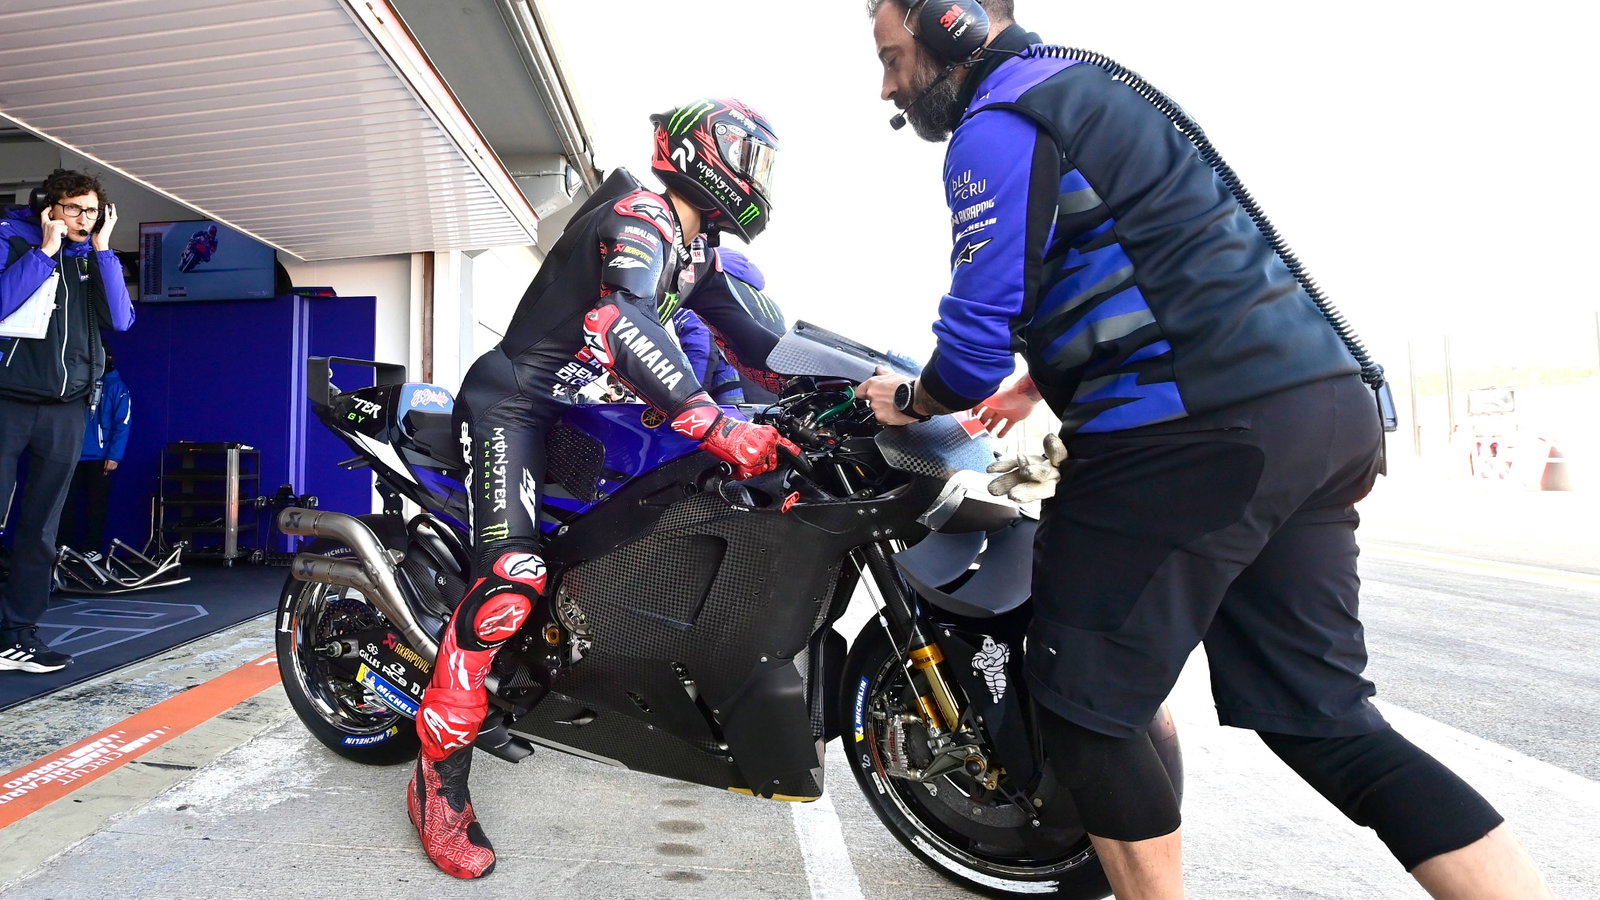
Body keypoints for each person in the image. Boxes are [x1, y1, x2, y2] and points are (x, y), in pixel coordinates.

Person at [855, 3, 1552, 898]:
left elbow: (969, 347)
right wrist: (1046, 373)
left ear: (949, 26)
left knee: (1083, 707)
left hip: (1192, 439)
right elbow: (1159, 254)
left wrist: (912, 400)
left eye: (891, 57)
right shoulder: (1094, 88)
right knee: (1325, 718)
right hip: (1317, 411)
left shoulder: (999, 124)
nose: (887, 87)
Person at [409, 98, 795, 880]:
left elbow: (767, 349)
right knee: (510, 583)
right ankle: (437, 784)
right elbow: (617, 323)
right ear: (696, 153)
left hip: (589, 416)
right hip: (518, 403)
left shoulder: (695, 253)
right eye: (744, 156)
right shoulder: (638, 215)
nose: (754, 177)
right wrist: (713, 423)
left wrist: (874, 389)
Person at [0, 168, 134, 674]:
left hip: (66, 410)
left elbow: (120, 319)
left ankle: (18, 635)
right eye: (74, 208)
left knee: (40, 530)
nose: (83, 218)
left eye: (92, 210)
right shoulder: (12, 241)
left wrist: (102, 251)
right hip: (6, 402)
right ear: (48, 207)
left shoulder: (91, 260)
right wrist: (43, 253)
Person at [61, 346, 133, 561]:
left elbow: (123, 423)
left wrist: (114, 456)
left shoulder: (117, 387)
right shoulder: (75, 383)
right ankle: (64, 548)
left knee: (96, 505)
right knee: (64, 504)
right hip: (72, 455)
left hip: (100, 458)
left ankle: (91, 548)